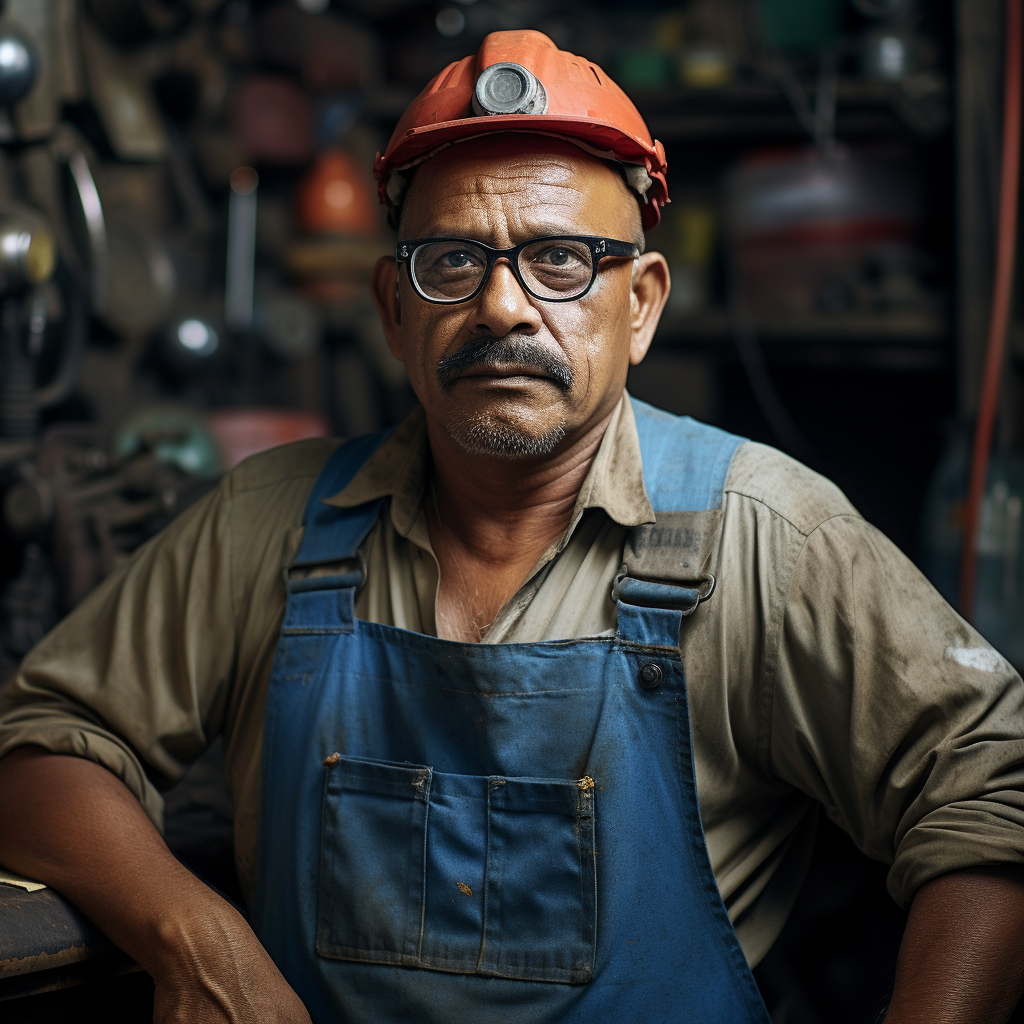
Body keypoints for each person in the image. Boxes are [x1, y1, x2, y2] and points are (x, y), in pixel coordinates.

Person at [1, 28, 1024, 1024]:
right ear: (392, 308)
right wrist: (195, 937)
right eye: (450, 261)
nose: (501, 307)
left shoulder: (764, 536)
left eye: (563, 261)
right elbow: (40, 751)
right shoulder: (268, 521)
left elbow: (994, 795)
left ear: (641, 306)